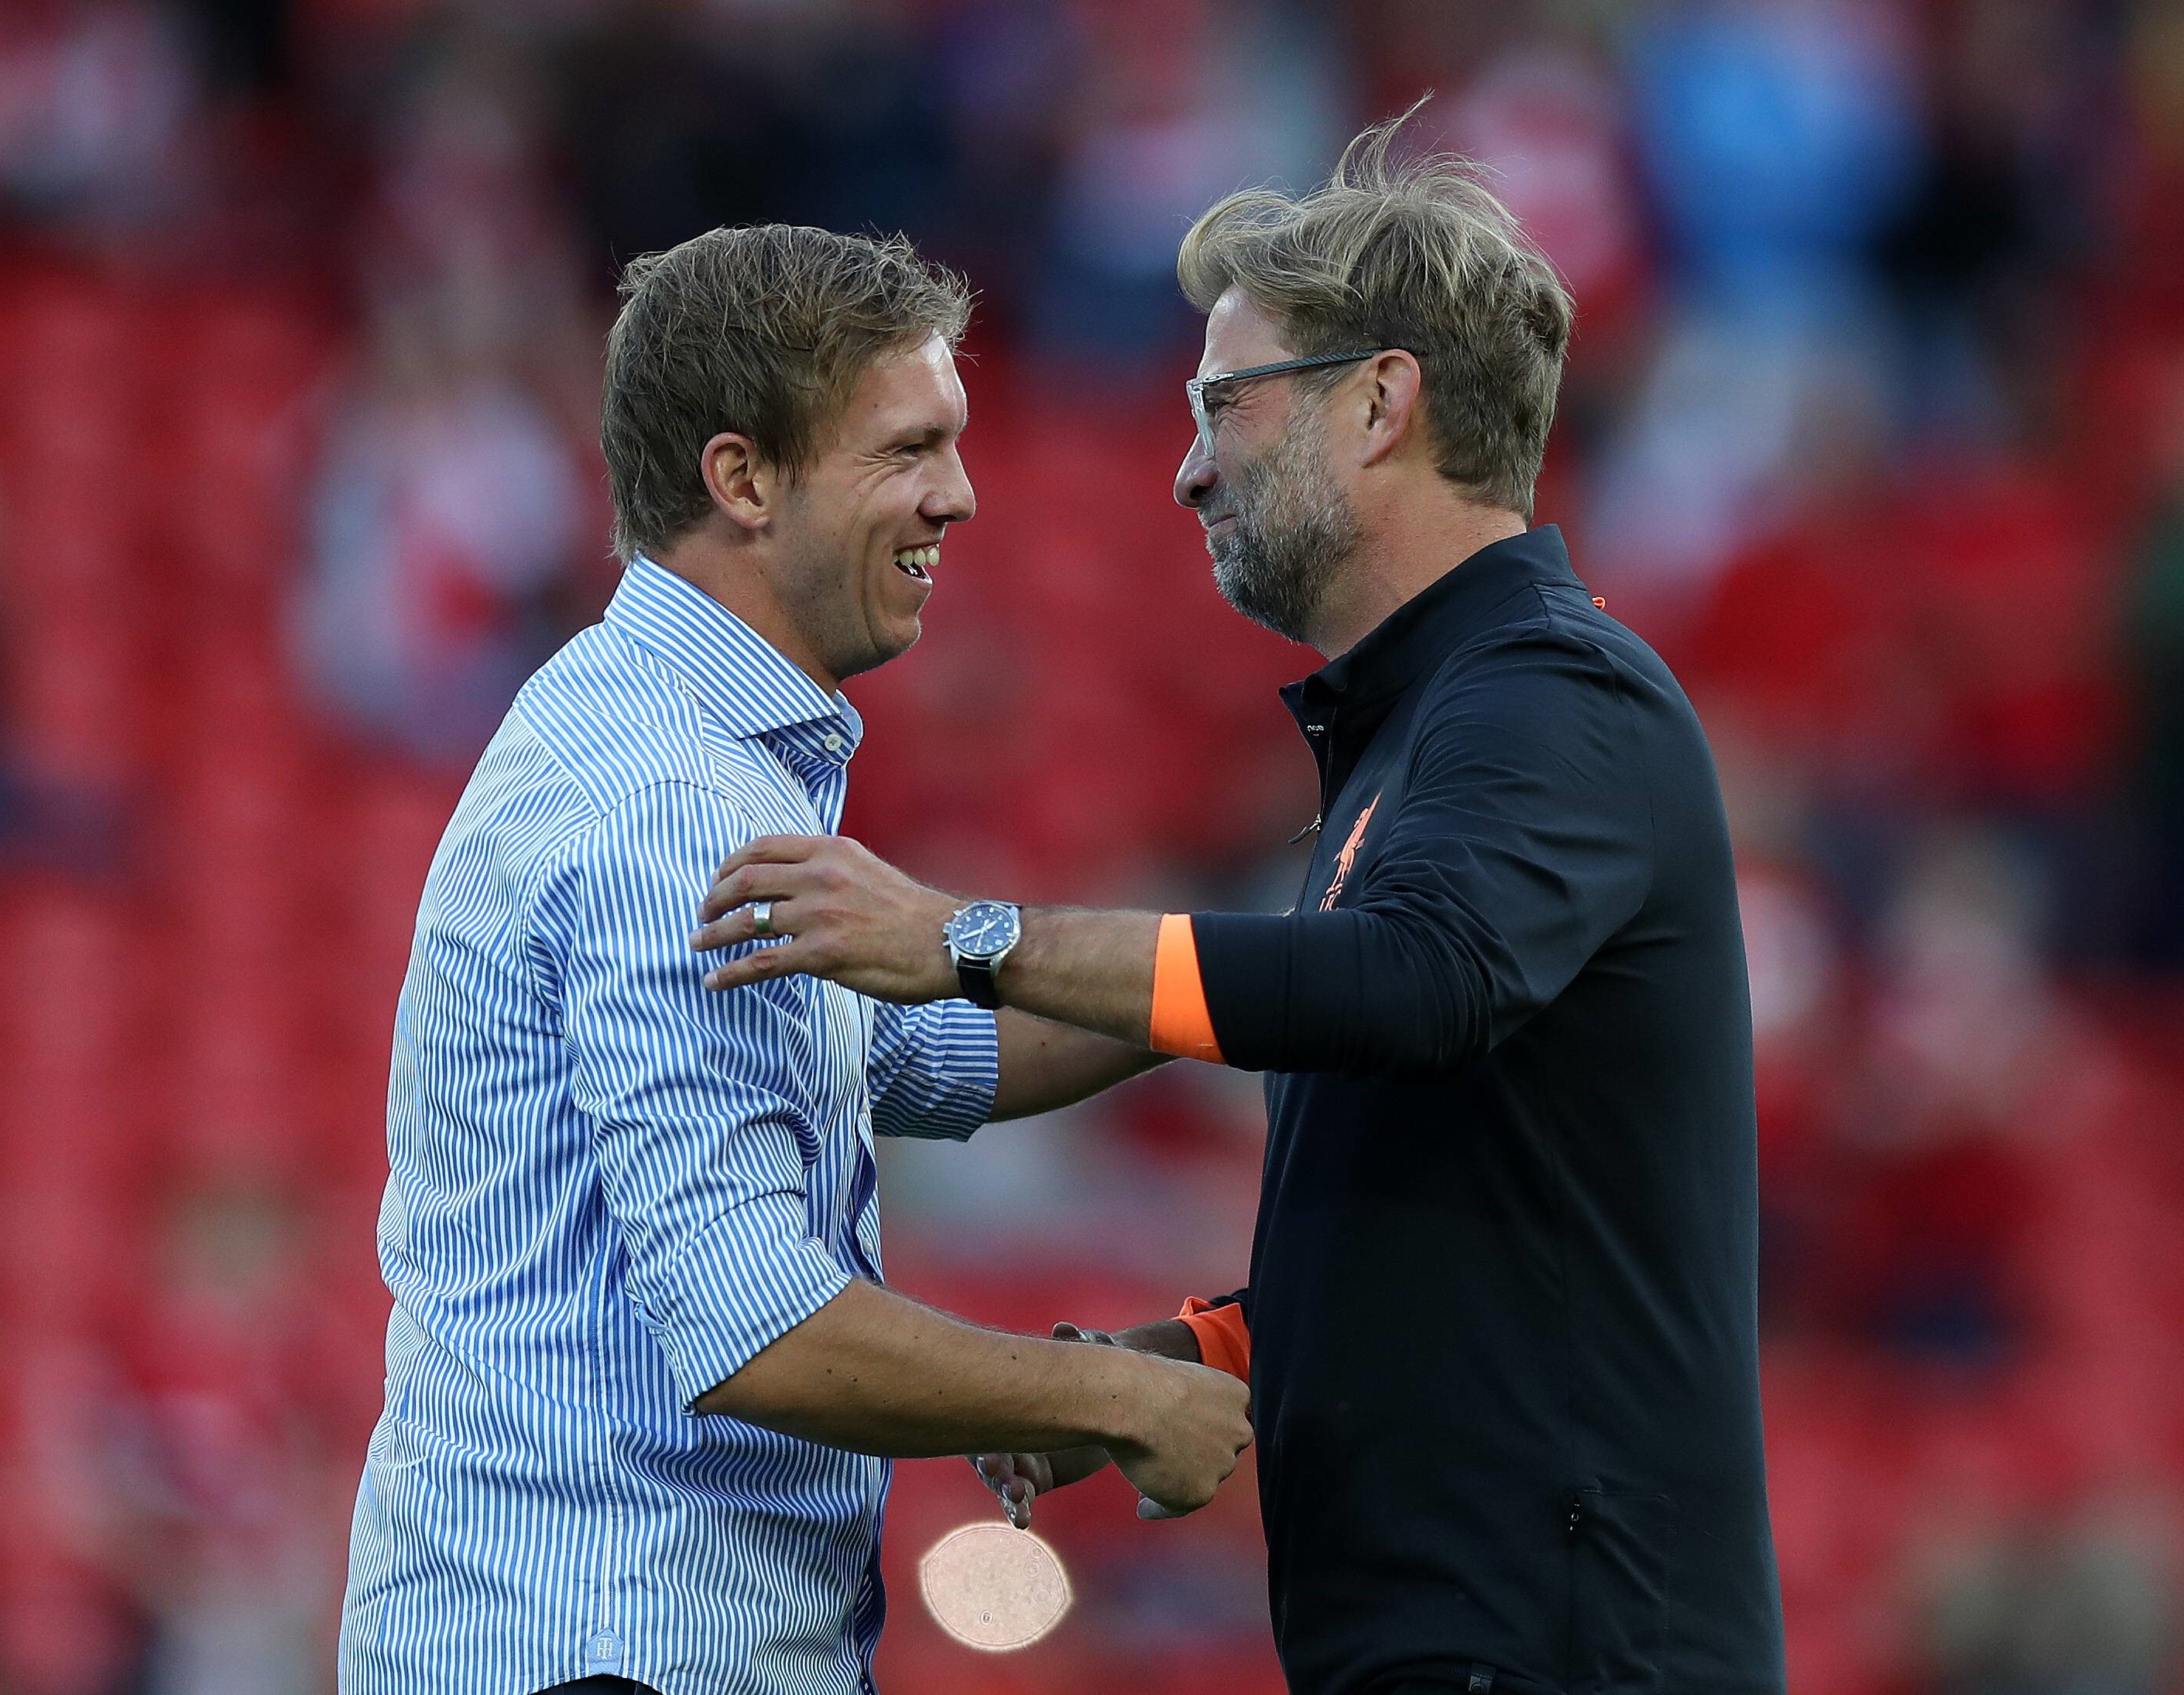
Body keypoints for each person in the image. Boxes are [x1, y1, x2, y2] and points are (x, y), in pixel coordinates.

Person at [694, 123, 1785, 1695]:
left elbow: (1417, 986)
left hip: (1562, 1645)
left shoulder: (1553, 690)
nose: (1189, 463)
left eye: (1221, 404)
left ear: (1378, 402)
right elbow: (1461, 1225)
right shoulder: (1434, 738)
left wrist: (969, 939)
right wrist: (1188, 1360)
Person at [337, 225, 1251, 1695]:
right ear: (743, 479)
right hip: (610, 1646)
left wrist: (1273, 969)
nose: (959, 495)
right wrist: (1114, 1390)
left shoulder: (664, 737)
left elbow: (941, 1050)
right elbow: (757, 1329)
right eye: (909, 448)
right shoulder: (670, 807)